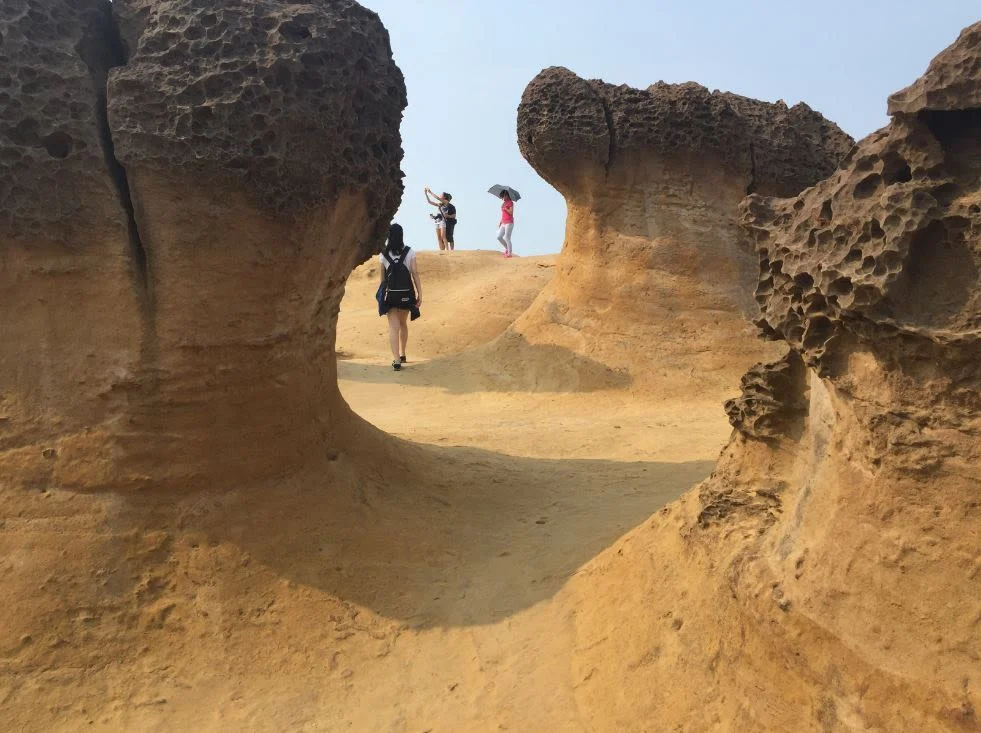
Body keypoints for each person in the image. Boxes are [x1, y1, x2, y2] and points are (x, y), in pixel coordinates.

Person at [378, 223, 423, 371]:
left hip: (391, 296)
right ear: (402, 235)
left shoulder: (383, 254)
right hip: (406, 295)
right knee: (403, 324)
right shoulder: (410, 252)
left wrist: (381, 299)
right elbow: (415, 274)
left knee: (393, 327)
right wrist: (419, 294)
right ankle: (403, 353)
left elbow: (382, 280)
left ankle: (396, 360)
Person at [497, 190, 515, 257]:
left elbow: (511, 212)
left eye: (503, 196)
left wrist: (506, 209)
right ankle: (507, 248)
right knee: (499, 236)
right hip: (503, 222)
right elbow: (503, 214)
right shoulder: (503, 203)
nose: (502, 198)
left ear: (506, 196)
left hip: (509, 222)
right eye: (502, 197)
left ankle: (509, 254)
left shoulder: (511, 202)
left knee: (507, 238)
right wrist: (500, 222)